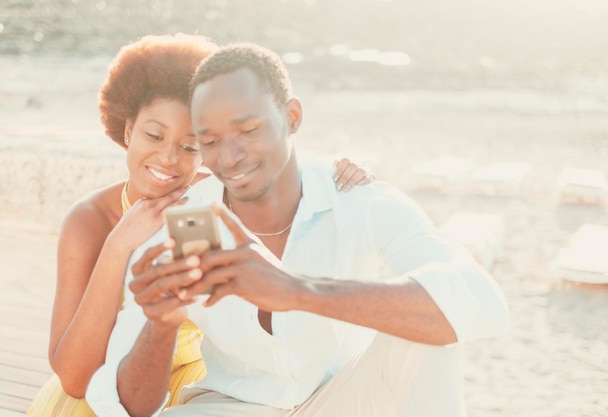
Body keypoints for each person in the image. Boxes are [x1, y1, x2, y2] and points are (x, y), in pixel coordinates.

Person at [86, 43, 508, 417]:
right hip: (230, 407)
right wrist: (161, 325)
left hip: (343, 401)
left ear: (291, 116)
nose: (230, 157)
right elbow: (129, 406)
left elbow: (478, 300)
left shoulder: (355, 199)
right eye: (210, 141)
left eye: (248, 130)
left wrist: (298, 290)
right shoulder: (188, 224)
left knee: (429, 337)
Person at [28, 35, 373, 417]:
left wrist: (337, 174)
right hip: (94, 393)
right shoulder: (90, 219)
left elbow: (279, 168)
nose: (168, 158)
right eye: (154, 135)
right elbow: (75, 378)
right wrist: (118, 245)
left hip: (190, 383)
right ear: (128, 130)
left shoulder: (208, 201)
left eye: (191, 147)